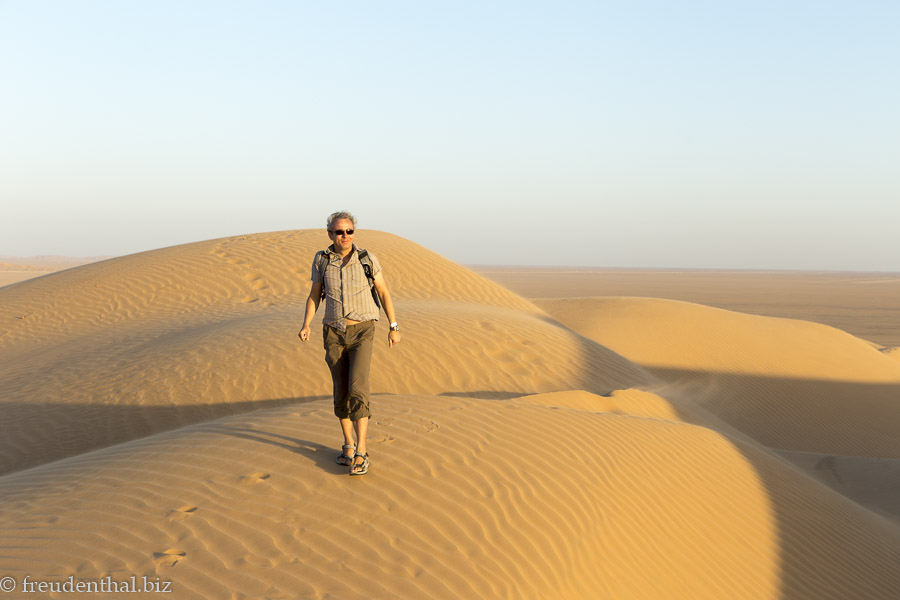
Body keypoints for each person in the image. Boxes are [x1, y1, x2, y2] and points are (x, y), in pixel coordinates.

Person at [298, 211, 401, 476]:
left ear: (354, 232)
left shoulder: (367, 259)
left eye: (349, 231)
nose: (344, 236)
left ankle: (362, 451)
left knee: (358, 387)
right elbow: (314, 296)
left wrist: (393, 326)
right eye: (339, 232)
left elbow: (383, 292)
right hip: (333, 332)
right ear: (329, 234)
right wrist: (306, 324)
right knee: (340, 389)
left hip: (363, 330)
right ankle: (348, 444)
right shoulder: (321, 260)